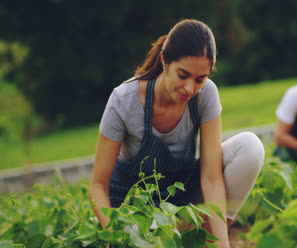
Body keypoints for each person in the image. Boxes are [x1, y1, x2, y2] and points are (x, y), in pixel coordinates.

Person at [89, 19, 264, 247]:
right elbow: (98, 186)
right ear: (165, 60)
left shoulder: (206, 95)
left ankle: (202, 238)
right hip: (134, 212)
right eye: (183, 75)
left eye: (200, 79)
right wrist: (116, 236)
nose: (190, 88)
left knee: (250, 147)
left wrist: (223, 244)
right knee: (149, 237)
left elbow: (211, 177)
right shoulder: (124, 100)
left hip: (181, 205)